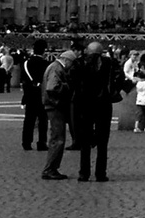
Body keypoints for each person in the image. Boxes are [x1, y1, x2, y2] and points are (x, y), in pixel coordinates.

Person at [72, 41, 126, 183]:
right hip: (104, 104)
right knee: (103, 141)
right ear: (102, 51)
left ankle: (84, 173)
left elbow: (72, 80)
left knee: (84, 141)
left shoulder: (79, 63)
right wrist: (113, 90)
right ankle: (101, 173)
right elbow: (120, 78)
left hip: (84, 104)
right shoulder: (110, 63)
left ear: (87, 51)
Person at [41, 48, 79, 181]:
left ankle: (51, 168)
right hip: (55, 105)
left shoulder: (54, 67)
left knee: (57, 137)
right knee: (58, 138)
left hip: (53, 105)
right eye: (72, 63)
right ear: (67, 60)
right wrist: (68, 86)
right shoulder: (57, 68)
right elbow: (52, 87)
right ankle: (50, 169)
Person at [20, 39, 51, 151]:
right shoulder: (46, 64)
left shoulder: (25, 63)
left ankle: (26, 142)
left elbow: (23, 81)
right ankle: (41, 142)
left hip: (29, 94)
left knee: (29, 119)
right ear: (44, 50)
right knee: (43, 119)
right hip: (42, 94)